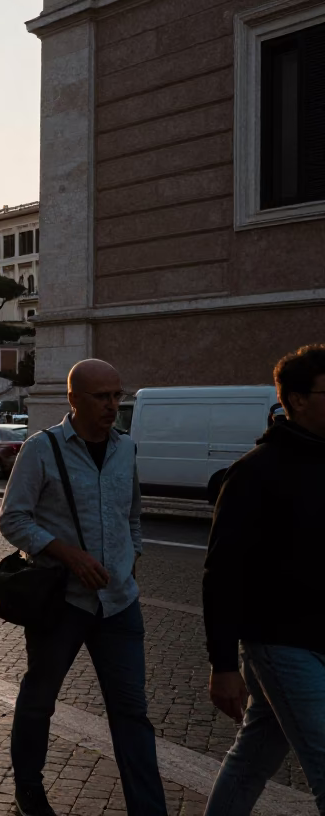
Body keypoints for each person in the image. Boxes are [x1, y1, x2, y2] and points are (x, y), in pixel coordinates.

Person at [0, 359, 165, 816]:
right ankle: (28, 791)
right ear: (73, 399)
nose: (113, 405)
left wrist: (131, 558)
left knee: (132, 714)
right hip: (62, 602)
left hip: (119, 604)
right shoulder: (41, 449)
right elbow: (13, 519)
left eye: (117, 395)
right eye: (102, 397)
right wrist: (67, 554)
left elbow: (132, 515)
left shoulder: (125, 448)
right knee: (40, 700)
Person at [203, 344, 325, 815]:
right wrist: (223, 664)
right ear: (295, 400)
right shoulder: (255, 472)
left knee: (252, 760)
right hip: (282, 643)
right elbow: (221, 573)